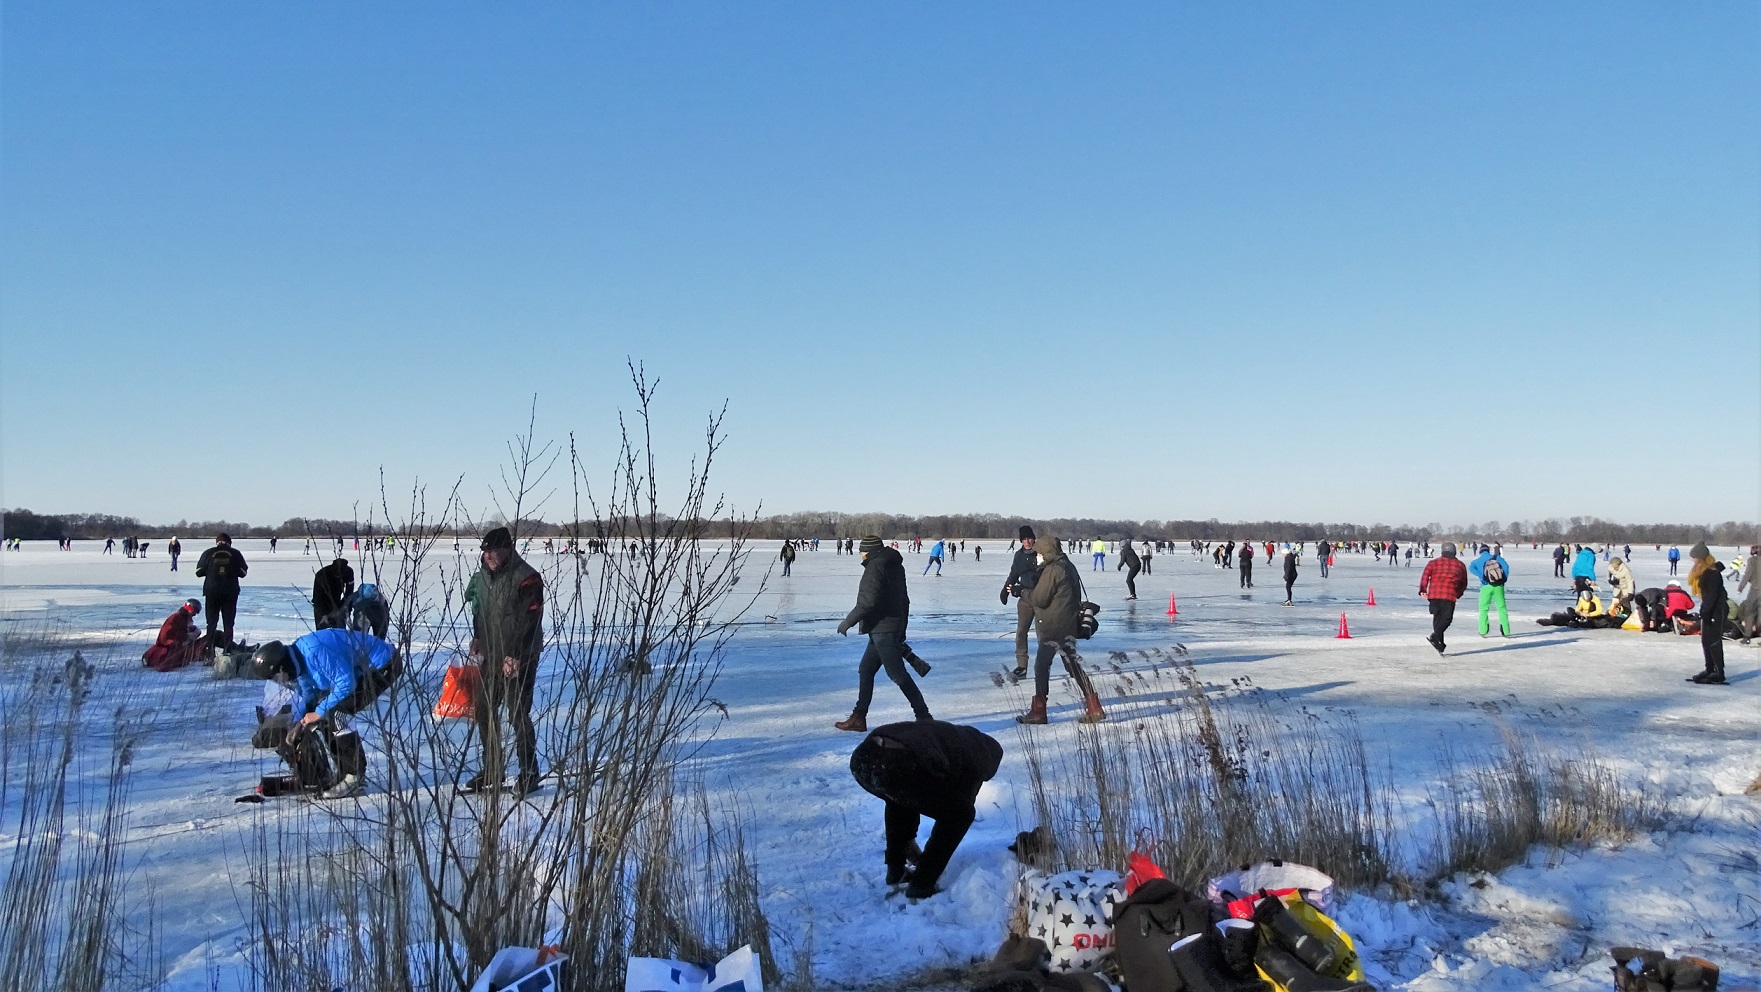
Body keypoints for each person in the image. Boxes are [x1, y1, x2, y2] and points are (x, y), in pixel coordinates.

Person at [848, 719, 1002, 900]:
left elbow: (916, 792)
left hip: (862, 758)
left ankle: (896, 870)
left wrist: (908, 840)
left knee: (899, 796)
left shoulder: (952, 736)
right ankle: (922, 884)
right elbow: (960, 804)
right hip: (898, 761)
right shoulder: (976, 757)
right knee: (961, 815)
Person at [250, 628, 403, 800]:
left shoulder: (315, 651)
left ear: (281, 666)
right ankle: (340, 772)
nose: (282, 681)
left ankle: (353, 777)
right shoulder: (298, 661)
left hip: (384, 665)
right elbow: (309, 695)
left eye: (277, 677)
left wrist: (318, 713)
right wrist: (299, 722)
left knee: (337, 714)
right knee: (323, 715)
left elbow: (346, 683)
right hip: (362, 670)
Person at [464, 527, 546, 793]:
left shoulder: (528, 578)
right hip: (492, 653)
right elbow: (481, 612)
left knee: (517, 712)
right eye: (485, 551)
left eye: (493, 550)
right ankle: (493, 768)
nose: (488, 555)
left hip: (519, 656)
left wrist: (517, 656)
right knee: (484, 708)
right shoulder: (483, 578)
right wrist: (478, 638)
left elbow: (530, 620)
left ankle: (529, 772)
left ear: (507, 549)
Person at [834, 536, 931, 732]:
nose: (860, 555)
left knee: (897, 674)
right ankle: (859, 717)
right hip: (886, 627)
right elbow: (905, 600)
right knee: (866, 670)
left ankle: (924, 717)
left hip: (883, 628)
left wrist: (847, 622)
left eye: (862, 551)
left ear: (869, 551)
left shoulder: (875, 568)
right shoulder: (894, 565)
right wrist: (901, 627)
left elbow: (867, 602)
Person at [1016, 533, 1103, 725]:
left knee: (1041, 666)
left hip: (1053, 627)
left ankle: (1038, 712)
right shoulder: (1067, 565)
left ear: (1046, 552)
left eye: (1038, 552)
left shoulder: (1053, 570)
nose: (1037, 556)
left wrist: (1021, 592)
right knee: (1072, 664)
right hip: (1068, 624)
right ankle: (1094, 706)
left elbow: (1040, 599)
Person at [195, 534, 248, 650]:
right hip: (230, 592)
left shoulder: (208, 553)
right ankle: (228, 650)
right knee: (228, 624)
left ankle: (209, 652)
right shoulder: (236, 553)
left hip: (212, 592)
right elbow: (243, 573)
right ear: (229, 542)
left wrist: (211, 571)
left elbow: (198, 572)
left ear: (217, 542)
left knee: (211, 623)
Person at [1002, 527, 1042, 680]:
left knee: (1042, 634)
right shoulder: (1018, 556)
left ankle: (1042, 665)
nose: (1027, 542)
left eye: (1029, 539)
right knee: (1021, 632)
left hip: (1040, 598)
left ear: (1034, 539)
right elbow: (1014, 573)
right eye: (1024, 539)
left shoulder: (1040, 554)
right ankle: (1022, 665)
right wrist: (1005, 590)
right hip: (1024, 598)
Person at [1685, 542, 1727, 684]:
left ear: (1700, 558)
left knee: (1713, 641)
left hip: (1717, 610)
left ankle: (1718, 672)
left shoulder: (1712, 573)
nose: (1692, 560)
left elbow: (1712, 596)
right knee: (1705, 641)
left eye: (1694, 557)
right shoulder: (1704, 571)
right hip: (1708, 609)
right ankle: (1709, 669)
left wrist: (1707, 613)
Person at [1418, 543, 1468, 653]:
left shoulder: (1433, 563)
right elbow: (1463, 582)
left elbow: (1425, 576)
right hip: (1449, 595)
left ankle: (1438, 643)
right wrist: (1458, 593)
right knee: (1446, 619)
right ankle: (1436, 638)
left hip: (1434, 594)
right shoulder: (1460, 565)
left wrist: (1423, 589)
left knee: (1438, 618)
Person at [142, 599, 207, 672]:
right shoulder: (175, 618)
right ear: (190, 609)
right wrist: (186, 637)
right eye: (194, 612)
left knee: (209, 638)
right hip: (172, 650)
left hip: (179, 648)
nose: (194, 615)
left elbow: (184, 630)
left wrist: (194, 631)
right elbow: (165, 638)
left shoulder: (184, 619)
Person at [1468, 544, 1510, 638]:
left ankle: (1483, 630)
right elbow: (1506, 567)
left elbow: (1471, 568)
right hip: (1499, 586)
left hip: (1485, 586)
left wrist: (1482, 576)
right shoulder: (1497, 558)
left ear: (1480, 551)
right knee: (1502, 608)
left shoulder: (1477, 561)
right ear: (1488, 550)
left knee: (1483, 609)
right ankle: (1506, 631)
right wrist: (1503, 579)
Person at [312, 557, 356, 629]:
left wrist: (343, 608)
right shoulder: (322, 574)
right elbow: (317, 597)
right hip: (321, 604)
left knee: (339, 631)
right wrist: (324, 613)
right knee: (322, 632)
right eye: (337, 576)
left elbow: (349, 593)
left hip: (337, 602)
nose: (339, 577)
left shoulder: (348, 572)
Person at [1737, 545, 1760, 643]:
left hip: (1755, 590)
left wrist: (1741, 587)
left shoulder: (1753, 561)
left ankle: (1747, 636)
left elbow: (1748, 574)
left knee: (1750, 612)